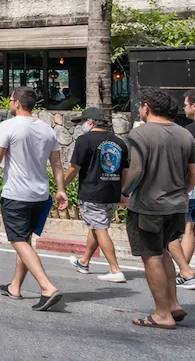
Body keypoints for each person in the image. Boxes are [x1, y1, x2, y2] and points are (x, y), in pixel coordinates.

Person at [0, 87, 68, 312]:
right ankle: (15, 286)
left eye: (10, 100)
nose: (9, 103)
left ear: (16, 103)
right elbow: (57, 165)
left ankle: (47, 287)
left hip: (16, 194)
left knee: (18, 240)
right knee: (25, 240)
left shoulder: (8, 126)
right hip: (41, 195)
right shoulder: (47, 129)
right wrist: (61, 189)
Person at [122, 89, 195, 329]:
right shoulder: (186, 136)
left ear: (146, 107)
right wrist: (182, 191)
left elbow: (136, 169)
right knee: (163, 250)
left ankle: (162, 314)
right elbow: (194, 172)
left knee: (151, 255)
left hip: (148, 205)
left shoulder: (139, 134)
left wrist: (125, 192)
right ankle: (173, 304)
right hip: (176, 205)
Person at [63, 107, 128, 283]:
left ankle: (115, 269)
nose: (82, 125)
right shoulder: (120, 142)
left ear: (91, 122)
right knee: (96, 226)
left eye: (83, 122)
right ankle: (84, 262)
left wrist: (61, 186)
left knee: (100, 229)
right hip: (112, 193)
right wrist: (122, 191)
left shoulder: (85, 140)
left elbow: (74, 168)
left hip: (92, 193)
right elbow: (125, 171)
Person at [173, 89, 195, 289]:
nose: (184, 107)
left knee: (189, 228)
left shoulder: (189, 131)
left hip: (194, 185)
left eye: (186, 104)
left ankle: (185, 272)